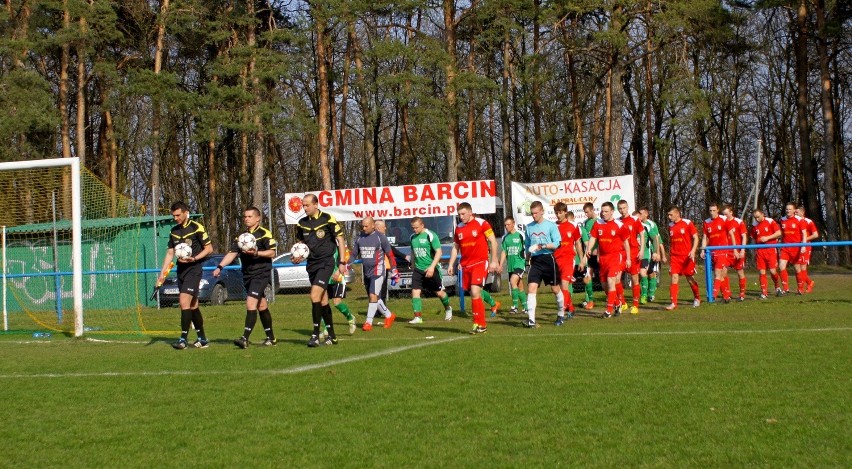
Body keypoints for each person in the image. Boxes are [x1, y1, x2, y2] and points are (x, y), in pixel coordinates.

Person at [213, 207, 278, 348]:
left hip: (261, 273)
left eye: (249, 216)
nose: (246, 219)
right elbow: (232, 253)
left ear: (257, 218)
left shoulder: (264, 234)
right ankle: (271, 338)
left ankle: (245, 338)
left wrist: (256, 253)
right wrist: (220, 267)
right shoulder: (241, 237)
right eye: (245, 217)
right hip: (248, 274)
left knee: (250, 303)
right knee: (261, 305)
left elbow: (272, 253)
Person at [293, 193, 349, 347]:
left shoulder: (327, 219)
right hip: (312, 264)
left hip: (326, 263)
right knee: (323, 300)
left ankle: (315, 335)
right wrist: (297, 256)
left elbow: (341, 239)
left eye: (307, 205)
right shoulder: (301, 224)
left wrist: (342, 261)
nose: (304, 208)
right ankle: (332, 336)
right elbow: (301, 245)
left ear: (316, 205)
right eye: (303, 205)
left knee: (314, 296)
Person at [157, 201, 214, 350]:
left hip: (194, 269)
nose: (175, 218)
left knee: (183, 302)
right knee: (193, 305)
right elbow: (170, 253)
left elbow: (209, 249)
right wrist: (162, 274)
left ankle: (183, 339)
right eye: (173, 215)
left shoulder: (196, 227)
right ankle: (202, 338)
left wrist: (194, 258)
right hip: (181, 270)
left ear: (185, 212)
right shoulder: (174, 231)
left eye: (177, 215)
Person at [447, 202, 500, 334]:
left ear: (471, 212)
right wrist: (451, 263)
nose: (461, 216)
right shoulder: (458, 228)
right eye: (459, 214)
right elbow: (456, 247)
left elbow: (493, 242)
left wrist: (494, 260)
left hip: (480, 262)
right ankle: (477, 323)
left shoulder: (482, 223)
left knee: (475, 291)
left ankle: (481, 324)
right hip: (466, 265)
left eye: (463, 213)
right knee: (473, 293)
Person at [580, 202, 630, 318]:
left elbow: (626, 242)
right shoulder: (598, 223)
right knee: (604, 286)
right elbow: (593, 237)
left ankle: (608, 310)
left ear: (612, 212)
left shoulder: (619, 224)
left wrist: (628, 258)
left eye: (606, 211)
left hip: (615, 257)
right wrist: (589, 249)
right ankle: (617, 303)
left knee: (611, 280)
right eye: (602, 211)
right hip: (603, 258)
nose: (604, 213)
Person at [521, 201, 565, 326]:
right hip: (535, 261)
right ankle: (531, 320)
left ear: (542, 211)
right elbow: (528, 246)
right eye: (532, 213)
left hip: (548, 259)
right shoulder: (529, 227)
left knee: (555, 288)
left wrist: (543, 245)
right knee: (531, 287)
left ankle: (561, 314)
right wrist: (527, 260)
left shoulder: (551, 226)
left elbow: (557, 244)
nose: (534, 216)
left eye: (536, 213)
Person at [353, 217, 398, 330]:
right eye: (362, 226)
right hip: (367, 272)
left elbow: (390, 254)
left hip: (378, 271)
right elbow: (354, 255)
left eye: (366, 226)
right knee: (374, 297)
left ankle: (368, 322)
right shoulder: (359, 238)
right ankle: (389, 315)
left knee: (373, 295)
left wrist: (394, 270)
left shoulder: (380, 237)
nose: (364, 228)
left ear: (373, 225)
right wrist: (345, 264)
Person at [407, 216, 453, 324]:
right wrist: (413, 265)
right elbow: (413, 252)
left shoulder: (430, 235)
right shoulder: (412, 237)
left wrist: (432, 267)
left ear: (422, 225)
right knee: (415, 292)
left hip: (431, 269)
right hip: (418, 270)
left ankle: (448, 308)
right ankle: (418, 317)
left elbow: (439, 252)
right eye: (413, 228)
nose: (415, 230)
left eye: (416, 227)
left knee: (439, 293)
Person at [664, 206, 701, 310]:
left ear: (677, 214)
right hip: (675, 257)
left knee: (690, 279)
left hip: (686, 257)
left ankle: (697, 298)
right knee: (674, 278)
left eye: (671, 214)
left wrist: (693, 251)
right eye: (668, 215)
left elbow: (695, 238)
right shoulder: (670, 225)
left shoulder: (687, 223)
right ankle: (673, 303)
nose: (669, 216)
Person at [318, 246, 357, 341]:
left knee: (337, 303)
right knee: (323, 304)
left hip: (338, 278)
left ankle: (350, 318)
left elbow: (347, 257)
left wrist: (340, 270)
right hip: (325, 278)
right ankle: (326, 328)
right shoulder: (321, 244)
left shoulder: (338, 243)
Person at [617, 200, 646, 314]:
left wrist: (642, 249)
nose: (622, 210)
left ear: (627, 207)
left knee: (634, 279)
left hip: (633, 252)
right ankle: (623, 303)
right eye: (620, 208)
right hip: (621, 254)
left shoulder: (634, 220)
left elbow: (642, 234)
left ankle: (635, 305)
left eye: (624, 208)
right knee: (617, 279)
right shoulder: (617, 222)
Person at [554, 203, 582, 319]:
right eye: (556, 213)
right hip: (556, 259)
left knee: (565, 285)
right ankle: (571, 307)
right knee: (559, 288)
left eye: (560, 212)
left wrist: (581, 259)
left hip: (568, 258)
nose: (558, 215)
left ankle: (562, 312)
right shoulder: (552, 226)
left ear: (565, 212)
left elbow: (578, 243)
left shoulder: (573, 225)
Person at [700, 203, 732, 303]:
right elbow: (705, 237)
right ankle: (726, 296)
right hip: (712, 251)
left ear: (718, 210)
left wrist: (735, 249)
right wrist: (702, 250)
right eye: (710, 211)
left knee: (718, 273)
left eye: (714, 211)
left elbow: (731, 233)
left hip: (723, 250)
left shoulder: (723, 219)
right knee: (721, 275)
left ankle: (712, 296)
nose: (712, 213)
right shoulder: (706, 222)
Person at [750, 208, 782, 298]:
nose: (756, 219)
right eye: (755, 217)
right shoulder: (754, 225)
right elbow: (752, 237)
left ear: (762, 214)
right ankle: (764, 292)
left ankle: (777, 286)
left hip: (770, 249)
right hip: (760, 251)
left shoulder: (770, 221)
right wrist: (753, 248)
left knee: (772, 271)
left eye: (758, 217)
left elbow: (779, 233)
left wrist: (768, 238)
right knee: (762, 272)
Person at [778, 202, 808, 294]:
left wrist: (803, 245)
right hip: (785, 247)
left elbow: (804, 234)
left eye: (790, 209)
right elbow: (781, 233)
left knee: (797, 268)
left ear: (794, 211)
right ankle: (785, 288)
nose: (788, 211)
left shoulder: (800, 220)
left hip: (796, 247)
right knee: (781, 266)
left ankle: (800, 288)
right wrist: (779, 241)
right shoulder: (782, 220)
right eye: (787, 209)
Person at [500, 216, 528, 315]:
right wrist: (500, 264)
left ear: (513, 223)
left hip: (520, 263)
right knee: (519, 286)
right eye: (505, 225)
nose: (506, 226)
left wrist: (528, 259)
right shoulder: (505, 237)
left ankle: (515, 307)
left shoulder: (521, 234)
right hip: (511, 265)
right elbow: (504, 251)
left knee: (513, 281)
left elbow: (527, 246)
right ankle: (526, 307)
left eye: (508, 224)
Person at [638, 207, 665, 304]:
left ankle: (651, 294)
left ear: (646, 214)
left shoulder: (651, 225)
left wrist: (659, 253)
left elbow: (657, 239)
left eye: (641, 214)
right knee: (642, 274)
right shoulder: (635, 225)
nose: (639, 216)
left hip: (649, 253)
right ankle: (644, 294)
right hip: (639, 255)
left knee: (650, 273)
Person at [722, 204, 748, 301]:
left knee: (740, 272)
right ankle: (727, 293)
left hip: (737, 251)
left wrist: (742, 249)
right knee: (723, 272)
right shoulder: (722, 223)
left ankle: (742, 294)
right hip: (726, 252)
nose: (725, 216)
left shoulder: (738, 222)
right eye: (723, 214)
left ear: (731, 212)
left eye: (726, 214)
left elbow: (744, 236)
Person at [796, 206, 819, 293]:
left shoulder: (808, 222)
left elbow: (815, 234)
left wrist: (805, 240)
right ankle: (809, 282)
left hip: (805, 246)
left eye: (797, 213)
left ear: (802, 213)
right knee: (797, 268)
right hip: (796, 247)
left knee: (802, 267)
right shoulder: (795, 221)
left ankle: (800, 288)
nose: (795, 214)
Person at [580, 203, 599, 309]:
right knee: (587, 278)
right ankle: (589, 300)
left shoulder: (599, 221)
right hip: (589, 254)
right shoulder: (585, 223)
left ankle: (615, 300)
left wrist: (598, 249)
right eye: (585, 212)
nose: (586, 214)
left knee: (605, 279)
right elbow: (586, 239)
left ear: (592, 210)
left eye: (587, 212)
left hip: (600, 254)